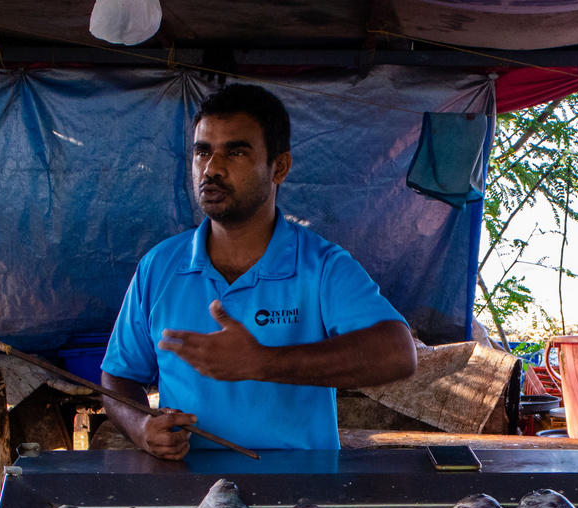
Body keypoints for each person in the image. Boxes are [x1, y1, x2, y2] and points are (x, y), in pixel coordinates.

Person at [100, 84, 416, 459]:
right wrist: (141, 427)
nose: (212, 168)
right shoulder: (159, 266)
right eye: (202, 152)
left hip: (301, 501)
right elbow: (118, 376)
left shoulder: (321, 266)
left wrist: (261, 362)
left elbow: (397, 353)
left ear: (278, 167)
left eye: (235, 151)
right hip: (193, 500)